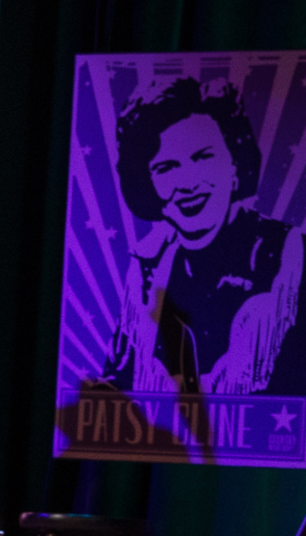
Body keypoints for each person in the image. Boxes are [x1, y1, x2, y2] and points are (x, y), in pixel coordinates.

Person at [103, 76, 306, 397]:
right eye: (166, 167)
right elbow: (115, 391)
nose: (187, 183)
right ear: (146, 182)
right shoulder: (146, 268)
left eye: (202, 157)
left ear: (234, 163)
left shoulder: (289, 256)